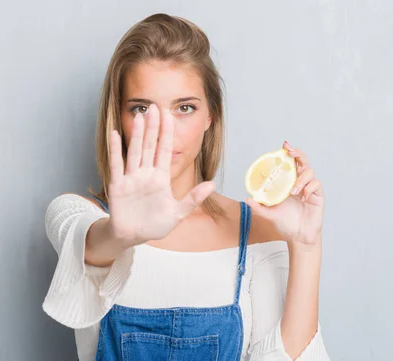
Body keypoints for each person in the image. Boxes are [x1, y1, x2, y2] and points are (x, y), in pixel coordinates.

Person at [43, 13, 329, 361]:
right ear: (118, 117)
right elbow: (86, 248)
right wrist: (122, 235)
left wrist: (305, 246)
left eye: (184, 108)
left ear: (211, 116)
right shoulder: (81, 218)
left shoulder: (255, 234)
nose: (164, 130)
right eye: (142, 107)